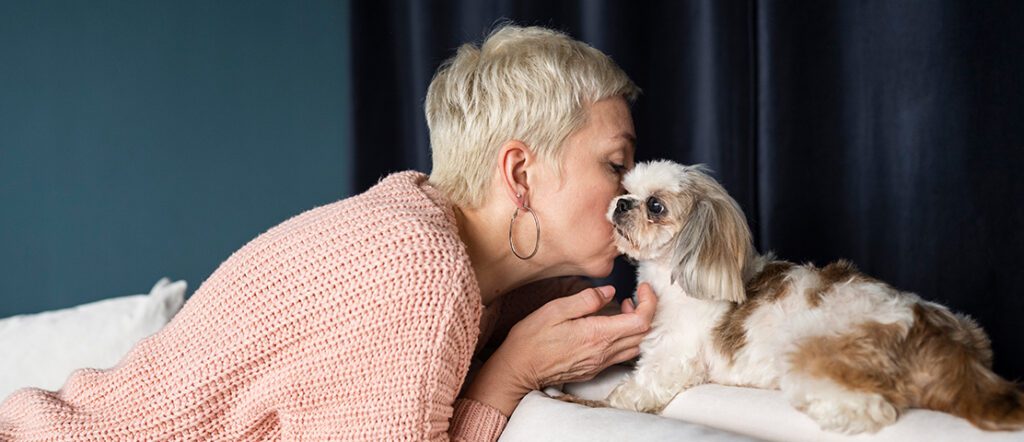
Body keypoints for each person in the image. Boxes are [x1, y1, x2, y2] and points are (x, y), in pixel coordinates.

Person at [0, 24, 657, 441]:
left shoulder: (488, 279)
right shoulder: (413, 265)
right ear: (519, 173)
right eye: (616, 164)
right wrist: (510, 376)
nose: (634, 191)